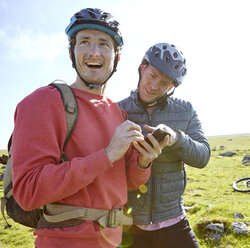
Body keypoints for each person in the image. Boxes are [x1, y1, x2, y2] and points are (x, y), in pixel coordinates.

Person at [11, 8, 168, 248]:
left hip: (113, 241)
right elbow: (28, 191)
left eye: (104, 44)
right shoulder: (43, 102)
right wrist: (106, 156)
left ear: (116, 57)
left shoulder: (118, 112)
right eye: (85, 41)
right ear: (71, 52)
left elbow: (126, 182)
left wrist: (144, 161)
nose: (94, 51)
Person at [117, 43, 211, 248]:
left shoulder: (185, 110)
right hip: (131, 224)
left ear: (171, 87)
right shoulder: (117, 111)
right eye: (152, 76)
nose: (153, 86)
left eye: (164, 83)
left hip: (174, 220)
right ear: (142, 69)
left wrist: (176, 138)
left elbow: (203, 156)